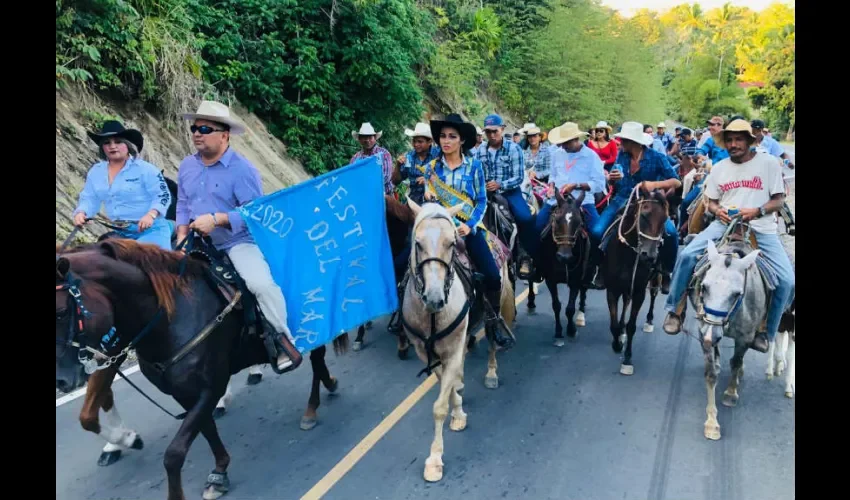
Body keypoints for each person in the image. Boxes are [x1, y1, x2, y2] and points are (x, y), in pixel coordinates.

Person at [174, 100, 301, 374]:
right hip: (196, 243)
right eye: (195, 127)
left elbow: (256, 212)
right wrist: (181, 234)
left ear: (224, 134)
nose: (197, 133)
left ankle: (282, 340)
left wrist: (218, 219)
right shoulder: (186, 165)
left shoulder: (243, 170)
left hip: (236, 242)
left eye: (205, 128)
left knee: (261, 285)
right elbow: (183, 202)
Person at [662, 119, 795, 353]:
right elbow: (711, 201)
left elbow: (779, 199)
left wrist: (757, 211)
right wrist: (717, 210)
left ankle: (766, 331)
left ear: (749, 141)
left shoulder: (769, 164)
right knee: (687, 255)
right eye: (730, 140)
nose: (733, 144)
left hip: (760, 227)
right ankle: (675, 309)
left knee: (787, 281)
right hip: (724, 225)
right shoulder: (721, 167)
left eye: (738, 139)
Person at [423, 113, 513, 348]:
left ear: (462, 141)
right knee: (405, 261)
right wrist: (427, 196)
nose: (446, 141)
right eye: (442, 136)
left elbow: (482, 201)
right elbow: (428, 197)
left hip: (467, 229)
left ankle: (493, 322)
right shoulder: (431, 169)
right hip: (439, 229)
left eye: (452, 136)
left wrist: (469, 225)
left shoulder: (474, 166)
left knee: (492, 276)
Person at [587, 121, 682, 291]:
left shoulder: (657, 157)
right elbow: (615, 177)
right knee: (596, 232)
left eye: (624, 140)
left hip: (649, 201)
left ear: (634, 142)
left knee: (671, 233)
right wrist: (612, 178)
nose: (620, 143)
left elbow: (676, 181)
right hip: (623, 198)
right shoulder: (622, 156)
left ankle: (666, 271)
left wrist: (653, 184)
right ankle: (600, 268)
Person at [73, 121, 172, 250]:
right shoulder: (96, 171)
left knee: (150, 260)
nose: (112, 146)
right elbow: (89, 198)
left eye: (118, 142)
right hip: (120, 232)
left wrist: (151, 215)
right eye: (107, 143)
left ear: (128, 145)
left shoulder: (146, 169)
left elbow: (162, 195)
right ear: (102, 147)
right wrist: (81, 212)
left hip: (151, 229)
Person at [474, 114, 536, 278]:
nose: (492, 135)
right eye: (488, 132)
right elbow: (475, 171)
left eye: (495, 131)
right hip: (485, 191)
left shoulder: (514, 148)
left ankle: (525, 257)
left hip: (509, 191)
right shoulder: (480, 150)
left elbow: (518, 177)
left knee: (525, 218)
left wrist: (500, 184)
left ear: (502, 129)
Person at [535, 122, 606, 235]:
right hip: (556, 199)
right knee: (538, 225)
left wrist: (576, 185)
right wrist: (551, 186)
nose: (564, 146)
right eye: (562, 143)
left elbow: (599, 184)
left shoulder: (591, 156)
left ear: (576, 139)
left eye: (567, 142)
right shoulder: (557, 154)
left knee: (596, 232)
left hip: (582, 201)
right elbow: (553, 175)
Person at [395, 122, 440, 205]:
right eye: (414, 141)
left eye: (420, 142)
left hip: (434, 199)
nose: (416, 144)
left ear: (429, 142)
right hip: (413, 198)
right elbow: (395, 181)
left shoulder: (438, 156)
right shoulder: (409, 157)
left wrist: (428, 180)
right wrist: (397, 165)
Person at [350, 122, 394, 196]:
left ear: (375, 138)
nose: (367, 140)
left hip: (384, 196)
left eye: (370, 137)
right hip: (364, 196)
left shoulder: (384, 154)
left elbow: (386, 176)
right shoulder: (355, 158)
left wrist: (365, 183)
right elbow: (352, 177)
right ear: (360, 139)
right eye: (364, 137)